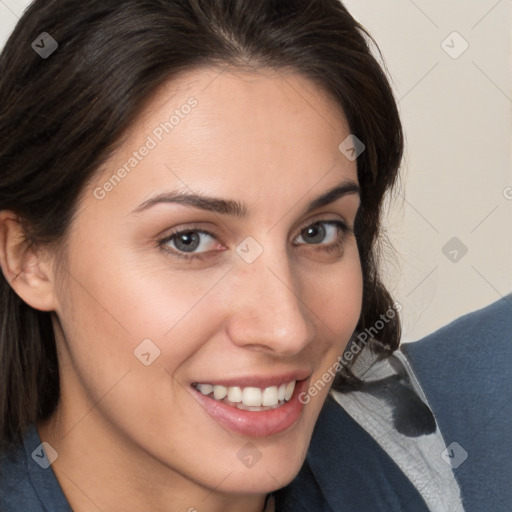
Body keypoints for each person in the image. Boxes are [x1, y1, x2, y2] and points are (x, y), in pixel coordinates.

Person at [0, 0, 463, 511]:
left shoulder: (458, 440)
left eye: (317, 231)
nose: (287, 329)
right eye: (189, 240)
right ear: (29, 256)